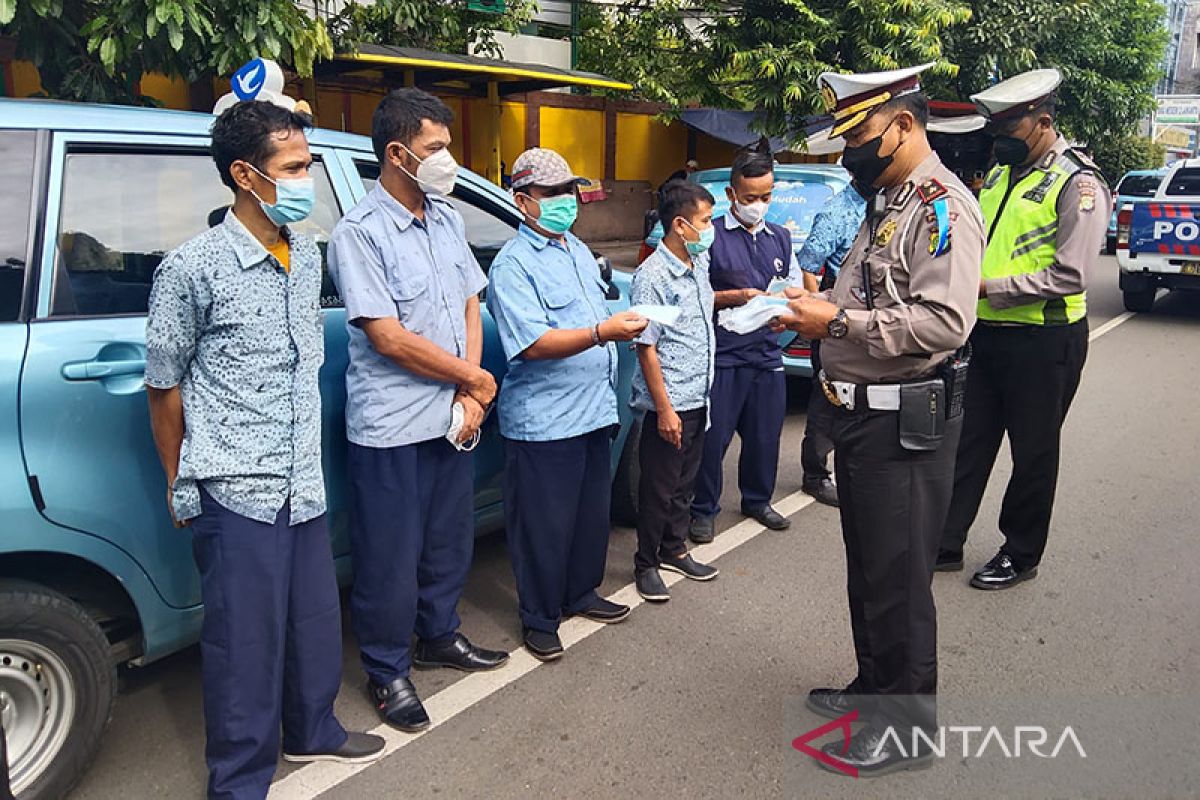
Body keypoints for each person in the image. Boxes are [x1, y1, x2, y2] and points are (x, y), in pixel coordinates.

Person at [145, 100, 384, 799]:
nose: (307, 179)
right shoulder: (192, 269)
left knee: (312, 620)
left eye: (307, 164)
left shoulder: (304, 254)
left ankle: (314, 728)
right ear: (246, 175)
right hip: (236, 483)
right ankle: (241, 777)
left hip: (301, 479)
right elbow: (163, 387)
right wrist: (178, 480)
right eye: (296, 168)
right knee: (243, 645)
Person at [778, 63, 984, 776]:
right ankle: (875, 687)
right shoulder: (886, 200)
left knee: (898, 583)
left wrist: (834, 321)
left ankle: (905, 732)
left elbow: (944, 321)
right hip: (865, 418)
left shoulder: (940, 208)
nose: (850, 152)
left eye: (861, 134)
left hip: (907, 422)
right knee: (868, 572)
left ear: (903, 124)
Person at [328, 88, 508, 734]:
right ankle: (386, 669)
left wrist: (468, 392)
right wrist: (476, 380)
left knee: (446, 541)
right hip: (392, 427)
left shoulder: (447, 219)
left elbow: (469, 302)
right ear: (399, 154)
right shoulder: (360, 233)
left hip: (450, 418)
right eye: (436, 149)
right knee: (389, 557)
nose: (447, 160)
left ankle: (440, 635)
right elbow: (388, 336)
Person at [936, 69, 1111, 589]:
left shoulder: (1078, 183)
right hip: (987, 335)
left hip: (1045, 340)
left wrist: (988, 289)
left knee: (1033, 452)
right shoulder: (997, 175)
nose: (999, 143)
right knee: (970, 440)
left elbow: (1071, 274)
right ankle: (946, 540)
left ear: (1042, 123)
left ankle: (1021, 552)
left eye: (1008, 133)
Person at [488, 147, 649, 661]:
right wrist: (603, 331)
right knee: (543, 525)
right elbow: (532, 344)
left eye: (569, 191)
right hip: (545, 421)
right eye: (552, 193)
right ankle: (539, 616)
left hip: (592, 410)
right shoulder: (512, 266)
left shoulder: (576, 251)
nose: (565, 201)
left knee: (587, 515)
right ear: (523, 201)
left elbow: (594, 312)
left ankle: (581, 592)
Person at [688, 139, 800, 543]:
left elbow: (789, 287)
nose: (759, 203)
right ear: (731, 195)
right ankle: (703, 509)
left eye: (766, 196)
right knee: (713, 438)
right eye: (751, 196)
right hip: (724, 356)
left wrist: (782, 312)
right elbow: (695, 294)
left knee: (765, 435)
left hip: (766, 354)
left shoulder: (779, 238)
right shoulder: (710, 237)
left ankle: (757, 499)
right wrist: (736, 297)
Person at [630, 181, 721, 602]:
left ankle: (674, 548)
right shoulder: (652, 276)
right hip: (670, 402)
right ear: (681, 225)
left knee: (685, 484)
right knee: (659, 488)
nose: (711, 228)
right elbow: (647, 349)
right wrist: (664, 410)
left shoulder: (696, 263)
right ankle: (646, 563)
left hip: (698, 396)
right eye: (706, 221)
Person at [793, 181, 871, 507]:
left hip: (866, 312)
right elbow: (809, 265)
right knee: (827, 394)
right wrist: (817, 314)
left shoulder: (884, 205)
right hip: (835, 304)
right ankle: (815, 474)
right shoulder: (837, 210)